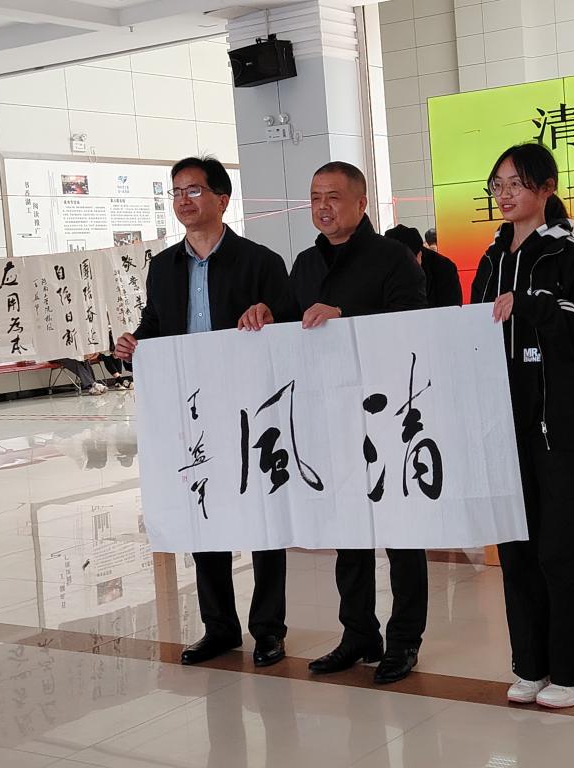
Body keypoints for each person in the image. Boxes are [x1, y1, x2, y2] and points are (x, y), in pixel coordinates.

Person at [238, 161, 428, 685]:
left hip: (388, 415)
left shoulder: (393, 258)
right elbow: (288, 324)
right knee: (348, 530)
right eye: (315, 197)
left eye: (334, 197)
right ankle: (359, 633)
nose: (323, 207)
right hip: (329, 414)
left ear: (362, 203)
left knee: (401, 531)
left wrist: (347, 320)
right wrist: (264, 314)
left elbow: (414, 326)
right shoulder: (304, 263)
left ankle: (404, 640)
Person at [114, 155, 290, 668]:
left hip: (251, 408)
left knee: (262, 516)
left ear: (222, 199)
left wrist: (270, 314)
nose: (183, 201)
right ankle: (219, 627)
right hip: (191, 408)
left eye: (193, 190)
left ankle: (269, 630)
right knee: (203, 509)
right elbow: (157, 323)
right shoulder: (163, 266)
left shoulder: (259, 261)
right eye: (176, 192)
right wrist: (134, 342)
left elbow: (289, 324)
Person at [472, 142, 574, 709]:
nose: (505, 194)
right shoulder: (491, 258)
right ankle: (532, 663)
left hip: (558, 425)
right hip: (504, 425)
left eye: (517, 183)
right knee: (518, 547)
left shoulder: (569, 252)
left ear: (547, 188)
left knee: (565, 547)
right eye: (498, 185)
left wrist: (537, 305)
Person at [384, 224, 462, 308]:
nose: (405, 270)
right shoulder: (382, 271)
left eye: (409, 264)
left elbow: (452, 310)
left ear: (420, 254)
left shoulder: (444, 269)